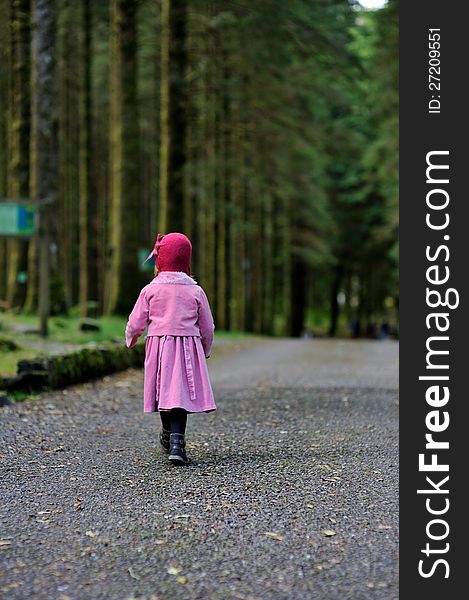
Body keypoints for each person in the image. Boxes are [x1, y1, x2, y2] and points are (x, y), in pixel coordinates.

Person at [124, 232, 216, 465]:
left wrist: (131, 338)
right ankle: (177, 442)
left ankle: (169, 436)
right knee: (179, 394)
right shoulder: (195, 291)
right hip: (187, 349)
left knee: (164, 391)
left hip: (160, 349)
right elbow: (207, 325)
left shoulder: (150, 291)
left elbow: (136, 322)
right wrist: (206, 347)